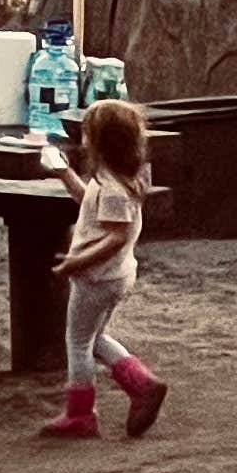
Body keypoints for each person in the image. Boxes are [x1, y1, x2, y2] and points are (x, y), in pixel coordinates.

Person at [37, 97, 167, 441]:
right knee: (93, 338)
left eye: (87, 134)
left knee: (78, 342)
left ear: (100, 142)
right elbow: (89, 205)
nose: (83, 139)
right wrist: (64, 172)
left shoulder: (113, 187)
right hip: (114, 275)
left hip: (99, 277)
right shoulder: (113, 178)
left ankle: (81, 415)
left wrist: (77, 261)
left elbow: (115, 237)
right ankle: (142, 384)